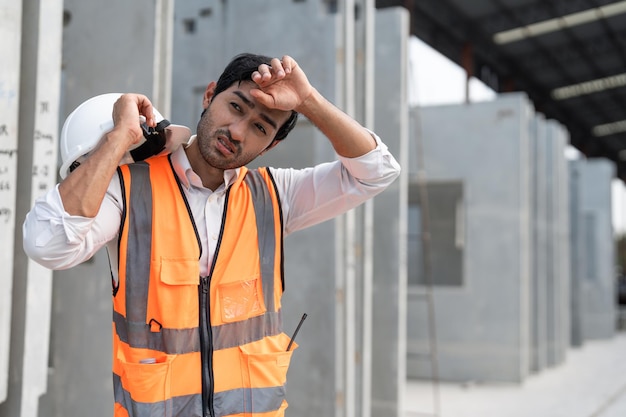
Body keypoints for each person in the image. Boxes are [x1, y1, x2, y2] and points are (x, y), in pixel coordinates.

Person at [23, 53, 401, 417]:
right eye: (235, 107)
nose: (237, 132)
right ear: (209, 96)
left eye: (259, 127)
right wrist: (119, 138)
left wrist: (309, 101)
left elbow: (378, 171)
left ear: (271, 145)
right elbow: (48, 244)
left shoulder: (276, 196)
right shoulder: (128, 192)